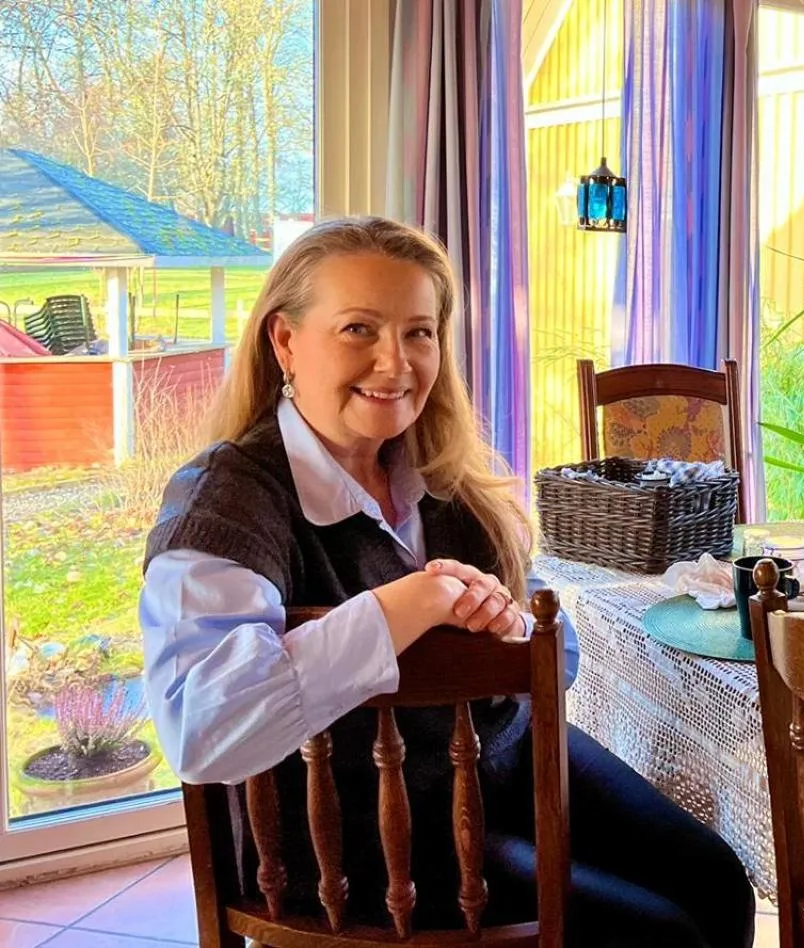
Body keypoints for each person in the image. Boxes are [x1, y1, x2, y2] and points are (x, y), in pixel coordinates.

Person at [140, 217, 755, 947]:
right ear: (285, 341)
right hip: (362, 835)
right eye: (358, 329)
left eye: (419, 332)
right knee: (662, 936)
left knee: (719, 886)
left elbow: (558, 662)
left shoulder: (442, 478)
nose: (395, 363)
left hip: (500, 762)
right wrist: (406, 605)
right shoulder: (229, 497)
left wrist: (512, 630)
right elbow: (203, 727)